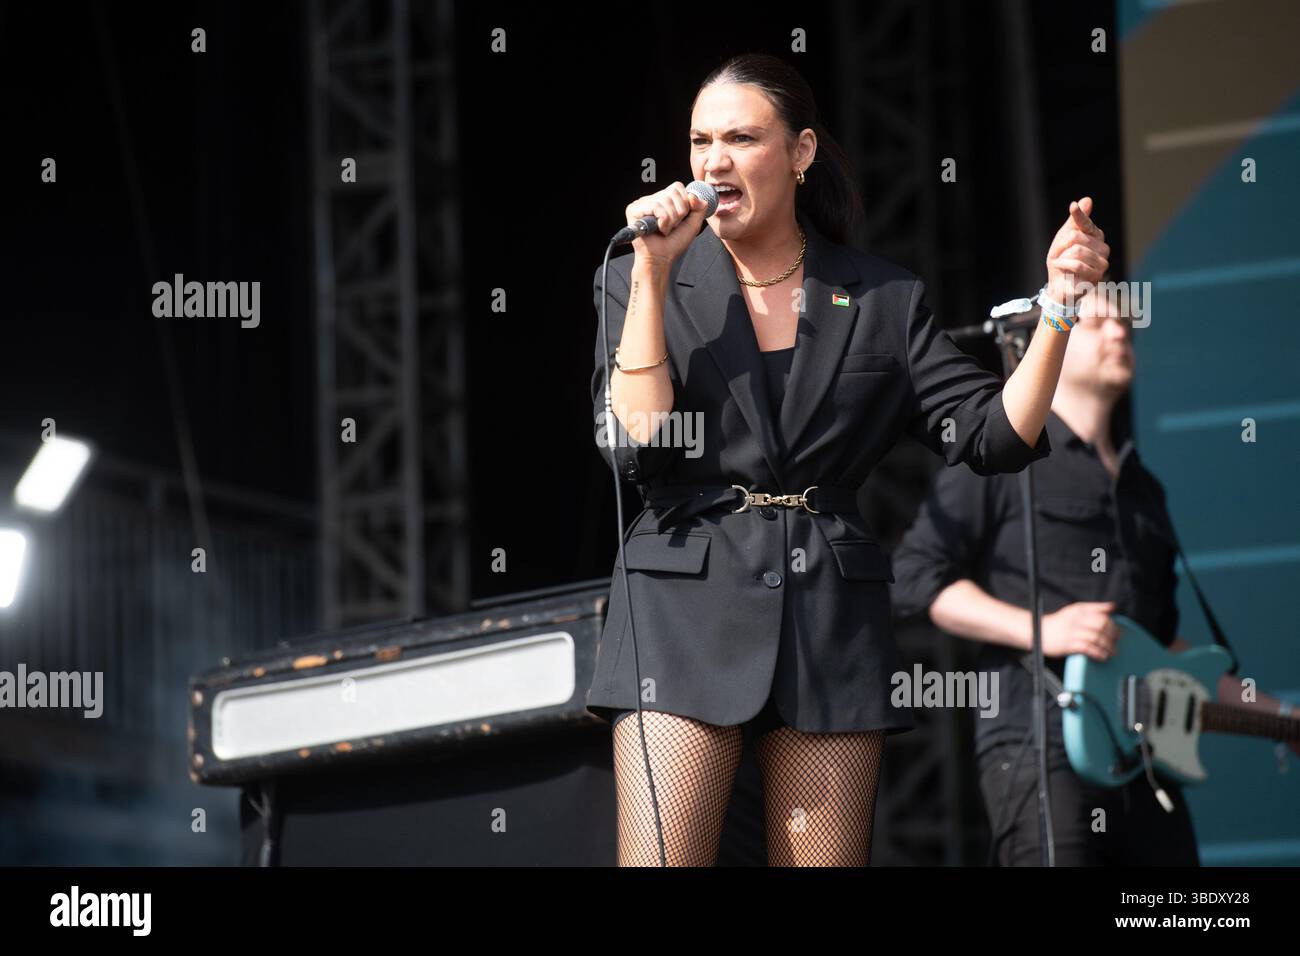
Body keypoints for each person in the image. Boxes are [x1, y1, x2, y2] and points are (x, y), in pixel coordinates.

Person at [585, 52, 1107, 867]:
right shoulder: (638, 275)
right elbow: (633, 443)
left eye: (740, 138)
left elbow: (992, 436)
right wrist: (652, 275)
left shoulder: (881, 298)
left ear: (798, 154)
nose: (713, 161)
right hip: (678, 610)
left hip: (828, 621)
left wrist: (1060, 312)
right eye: (699, 141)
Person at [889, 284, 1298, 865]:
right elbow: (914, 577)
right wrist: (1043, 629)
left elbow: (1166, 648)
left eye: (1125, 324)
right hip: (1040, 741)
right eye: (1100, 323)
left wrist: (1282, 719)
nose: (1120, 333)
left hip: (1147, 757)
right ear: (1046, 343)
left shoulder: (1144, 489)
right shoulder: (1004, 457)